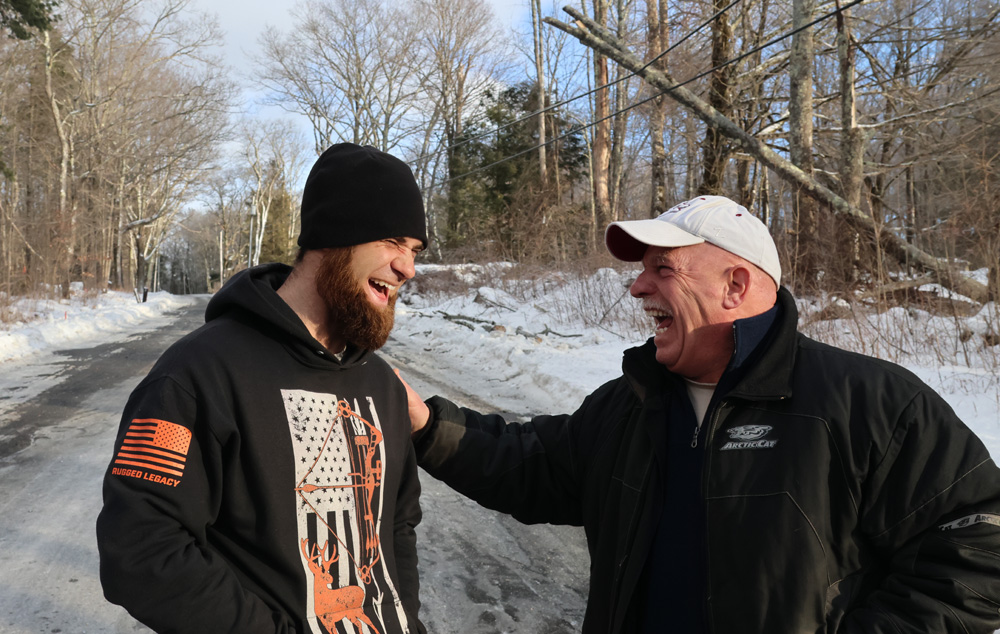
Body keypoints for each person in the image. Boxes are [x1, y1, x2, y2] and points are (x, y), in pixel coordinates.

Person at [403, 195, 1000, 633]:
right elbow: (530, 465)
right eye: (642, 270)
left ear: (735, 285)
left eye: (662, 268)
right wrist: (424, 424)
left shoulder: (868, 401)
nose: (637, 288)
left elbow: (977, 548)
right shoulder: (631, 403)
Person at [97, 143, 429, 634]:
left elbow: (396, 525)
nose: (408, 268)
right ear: (335, 235)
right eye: (393, 242)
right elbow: (143, 548)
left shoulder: (380, 385)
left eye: (415, 251)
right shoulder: (198, 374)